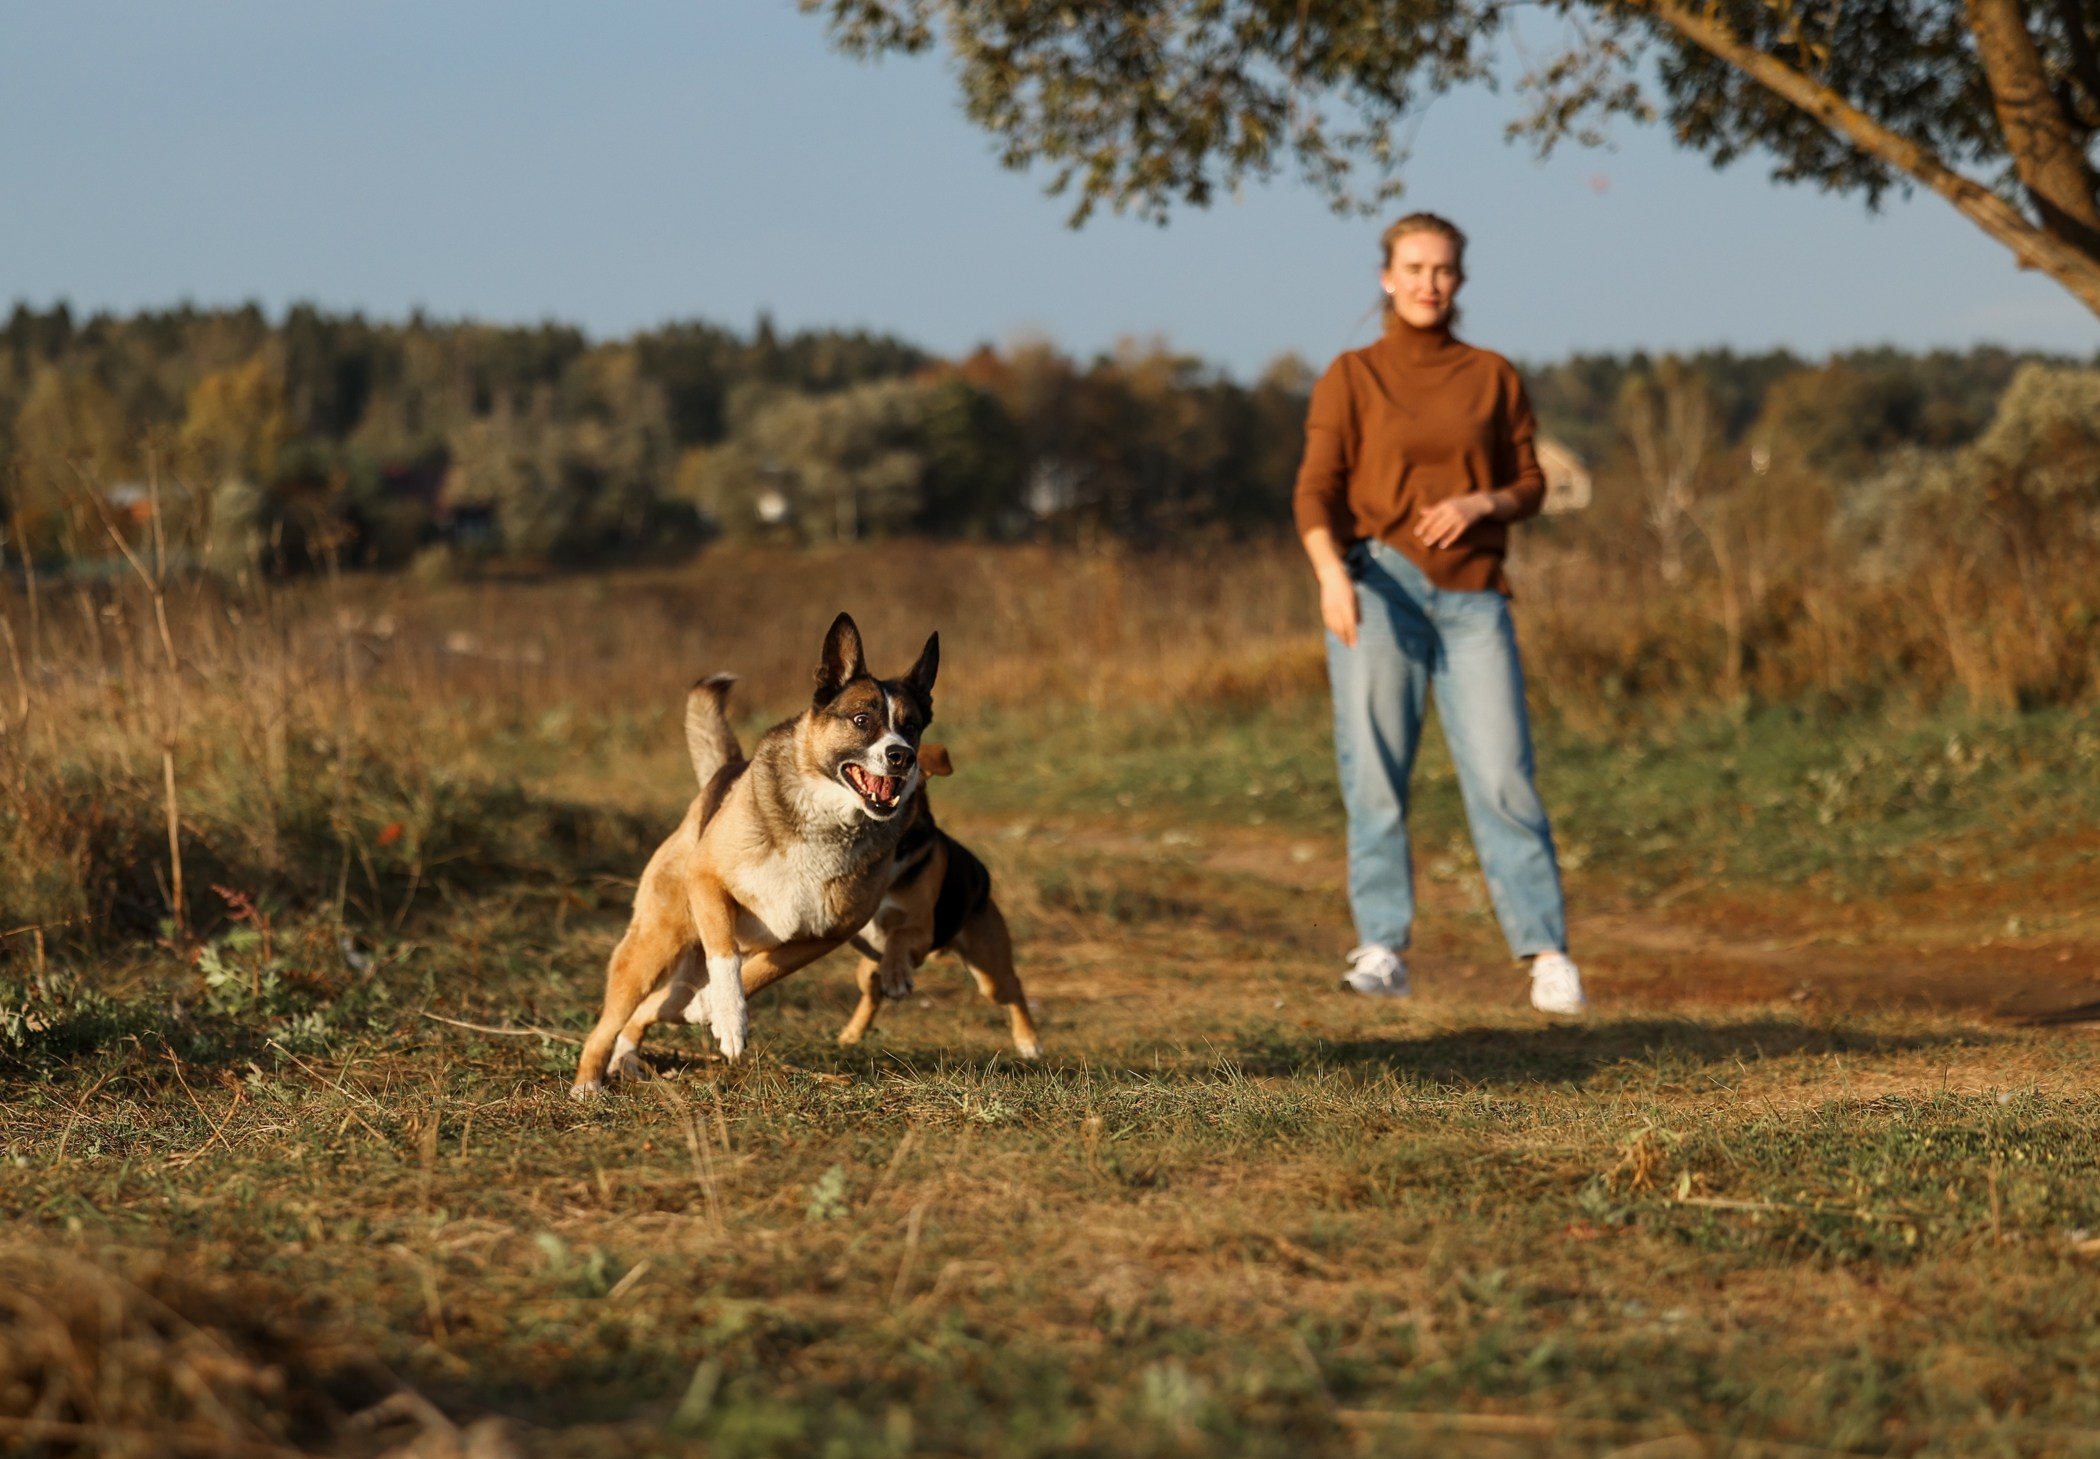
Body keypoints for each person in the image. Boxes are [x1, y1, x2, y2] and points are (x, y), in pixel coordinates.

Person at [1293, 212, 1586, 1014]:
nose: (1429, 282)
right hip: (1375, 588)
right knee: (1376, 773)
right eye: (1414, 267)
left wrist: (1482, 500)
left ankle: (1548, 953)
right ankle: (1382, 946)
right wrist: (1329, 573)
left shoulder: (1492, 375)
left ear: (1459, 280)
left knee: (1501, 774)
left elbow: (1531, 481)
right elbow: (1315, 488)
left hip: (1474, 595)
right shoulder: (1352, 375)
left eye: (1444, 269)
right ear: (1386, 275)